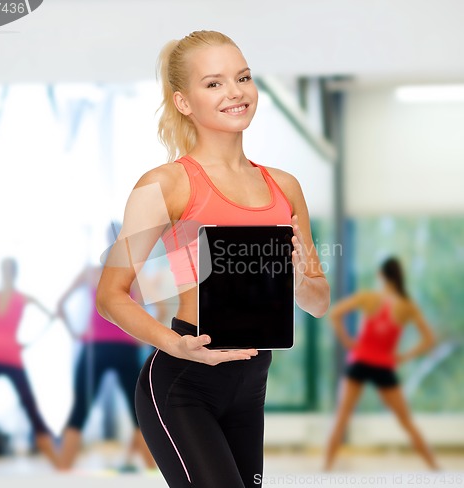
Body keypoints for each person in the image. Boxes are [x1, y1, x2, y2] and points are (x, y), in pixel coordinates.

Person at [96, 30, 330, 488]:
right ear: (184, 102)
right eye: (214, 83)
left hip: (251, 386)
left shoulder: (285, 186)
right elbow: (110, 294)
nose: (235, 92)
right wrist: (172, 342)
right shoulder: (165, 184)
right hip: (185, 380)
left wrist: (299, 280)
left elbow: (319, 303)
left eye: (242, 77)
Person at [55, 223, 156, 471]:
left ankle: (62, 471)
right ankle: (154, 472)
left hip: (100, 348)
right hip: (123, 348)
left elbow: (60, 305)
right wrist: (142, 337)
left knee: (81, 410)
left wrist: (76, 333)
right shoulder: (132, 274)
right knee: (139, 413)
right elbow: (147, 309)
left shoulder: (93, 273)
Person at [323, 256, 439, 471]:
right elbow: (429, 339)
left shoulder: (369, 298)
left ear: (381, 275)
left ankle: (324, 472)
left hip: (360, 361)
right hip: (384, 366)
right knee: (407, 422)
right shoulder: (407, 305)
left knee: (341, 418)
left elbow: (335, 313)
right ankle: (437, 471)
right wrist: (405, 356)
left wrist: (348, 340)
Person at [0, 257, 58, 466]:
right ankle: (57, 462)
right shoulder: (10, 298)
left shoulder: (7, 298)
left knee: (29, 407)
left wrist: (29, 342)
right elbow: (52, 316)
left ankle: (57, 462)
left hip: (2, 356)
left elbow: (51, 316)